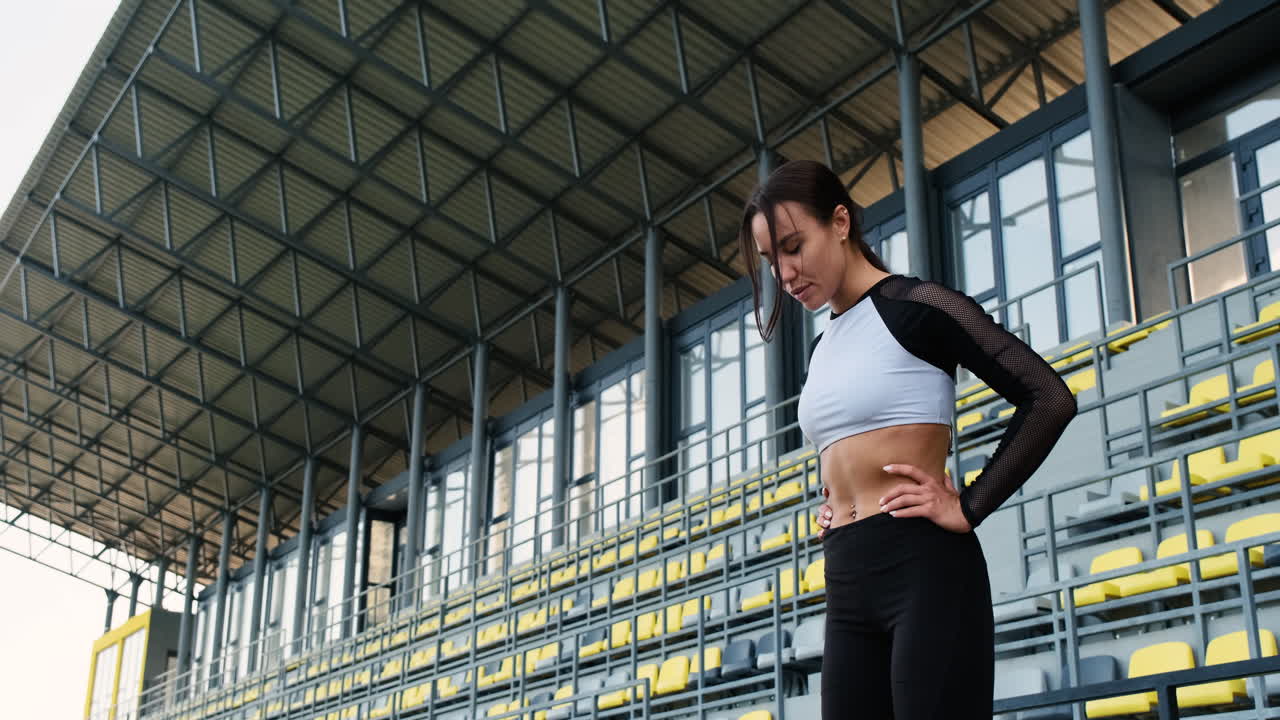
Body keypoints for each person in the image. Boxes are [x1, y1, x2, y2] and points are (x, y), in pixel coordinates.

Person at [739, 159, 1077, 719]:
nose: (786, 273)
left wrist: (970, 503)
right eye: (772, 261)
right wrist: (835, 504)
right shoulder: (823, 349)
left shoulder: (918, 308)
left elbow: (1048, 397)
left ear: (840, 222)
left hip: (923, 569)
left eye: (794, 246)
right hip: (846, 577)